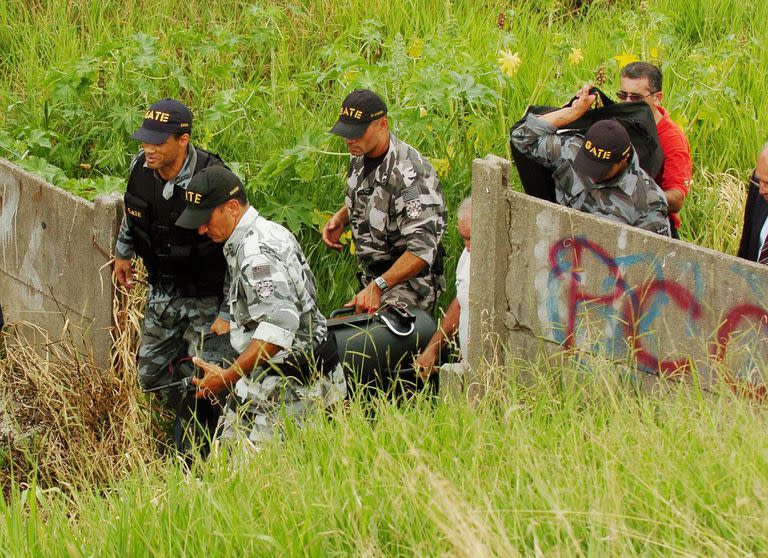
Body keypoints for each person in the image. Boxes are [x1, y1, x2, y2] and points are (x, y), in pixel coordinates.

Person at [174, 166, 346, 444]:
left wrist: (227, 376)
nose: (202, 229)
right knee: (229, 460)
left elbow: (277, 329)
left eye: (206, 219)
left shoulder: (256, 255)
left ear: (231, 207)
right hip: (271, 378)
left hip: (292, 388)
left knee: (258, 477)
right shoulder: (265, 232)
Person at [113, 98, 230, 394]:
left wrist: (228, 311)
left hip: (208, 297)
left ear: (183, 140)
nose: (148, 149)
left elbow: (237, 249)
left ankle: (202, 428)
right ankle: (178, 414)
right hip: (164, 289)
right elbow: (135, 210)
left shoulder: (212, 179)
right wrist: (123, 252)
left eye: (157, 143)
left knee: (210, 381)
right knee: (150, 378)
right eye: (145, 141)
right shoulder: (140, 168)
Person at [322, 89, 447, 314]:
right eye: (346, 132)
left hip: (411, 285)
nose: (349, 139)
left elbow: (422, 249)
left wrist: (378, 287)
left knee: (371, 341)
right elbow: (372, 195)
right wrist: (342, 217)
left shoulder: (411, 175)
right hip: (374, 279)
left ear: (382, 124)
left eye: (357, 132)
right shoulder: (360, 155)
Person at [510, 84, 671, 236]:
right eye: (588, 164)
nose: (592, 175)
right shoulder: (572, 150)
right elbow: (521, 136)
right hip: (555, 242)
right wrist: (572, 113)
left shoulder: (648, 203)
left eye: (602, 170)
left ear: (624, 159)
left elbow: (651, 258)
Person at [619, 61, 693, 238]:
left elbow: (677, 198)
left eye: (636, 97)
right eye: (623, 95)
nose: (627, 103)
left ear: (657, 97)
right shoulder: (617, 120)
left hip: (653, 229)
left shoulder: (673, 139)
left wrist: (641, 197)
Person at [415, 197, 472, 379]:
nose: (468, 247)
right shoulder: (467, 255)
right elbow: (461, 301)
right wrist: (433, 349)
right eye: (464, 239)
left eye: (472, 238)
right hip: (469, 368)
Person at [737, 143, 768, 263]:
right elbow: (746, 248)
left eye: (767, 184)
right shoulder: (759, 185)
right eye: (759, 181)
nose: (761, 190)